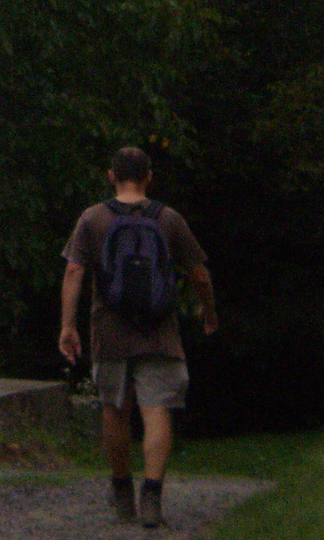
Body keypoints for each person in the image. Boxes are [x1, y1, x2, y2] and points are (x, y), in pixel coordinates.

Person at [60, 146, 218, 529]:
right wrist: (208, 311)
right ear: (149, 177)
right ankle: (152, 497)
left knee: (115, 410)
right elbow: (198, 273)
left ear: (111, 176)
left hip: (109, 331)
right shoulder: (168, 218)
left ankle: (121, 494)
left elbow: (74, 273)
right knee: (157, 410)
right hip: (159, 332)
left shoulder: (93, 218)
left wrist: (68, 326)